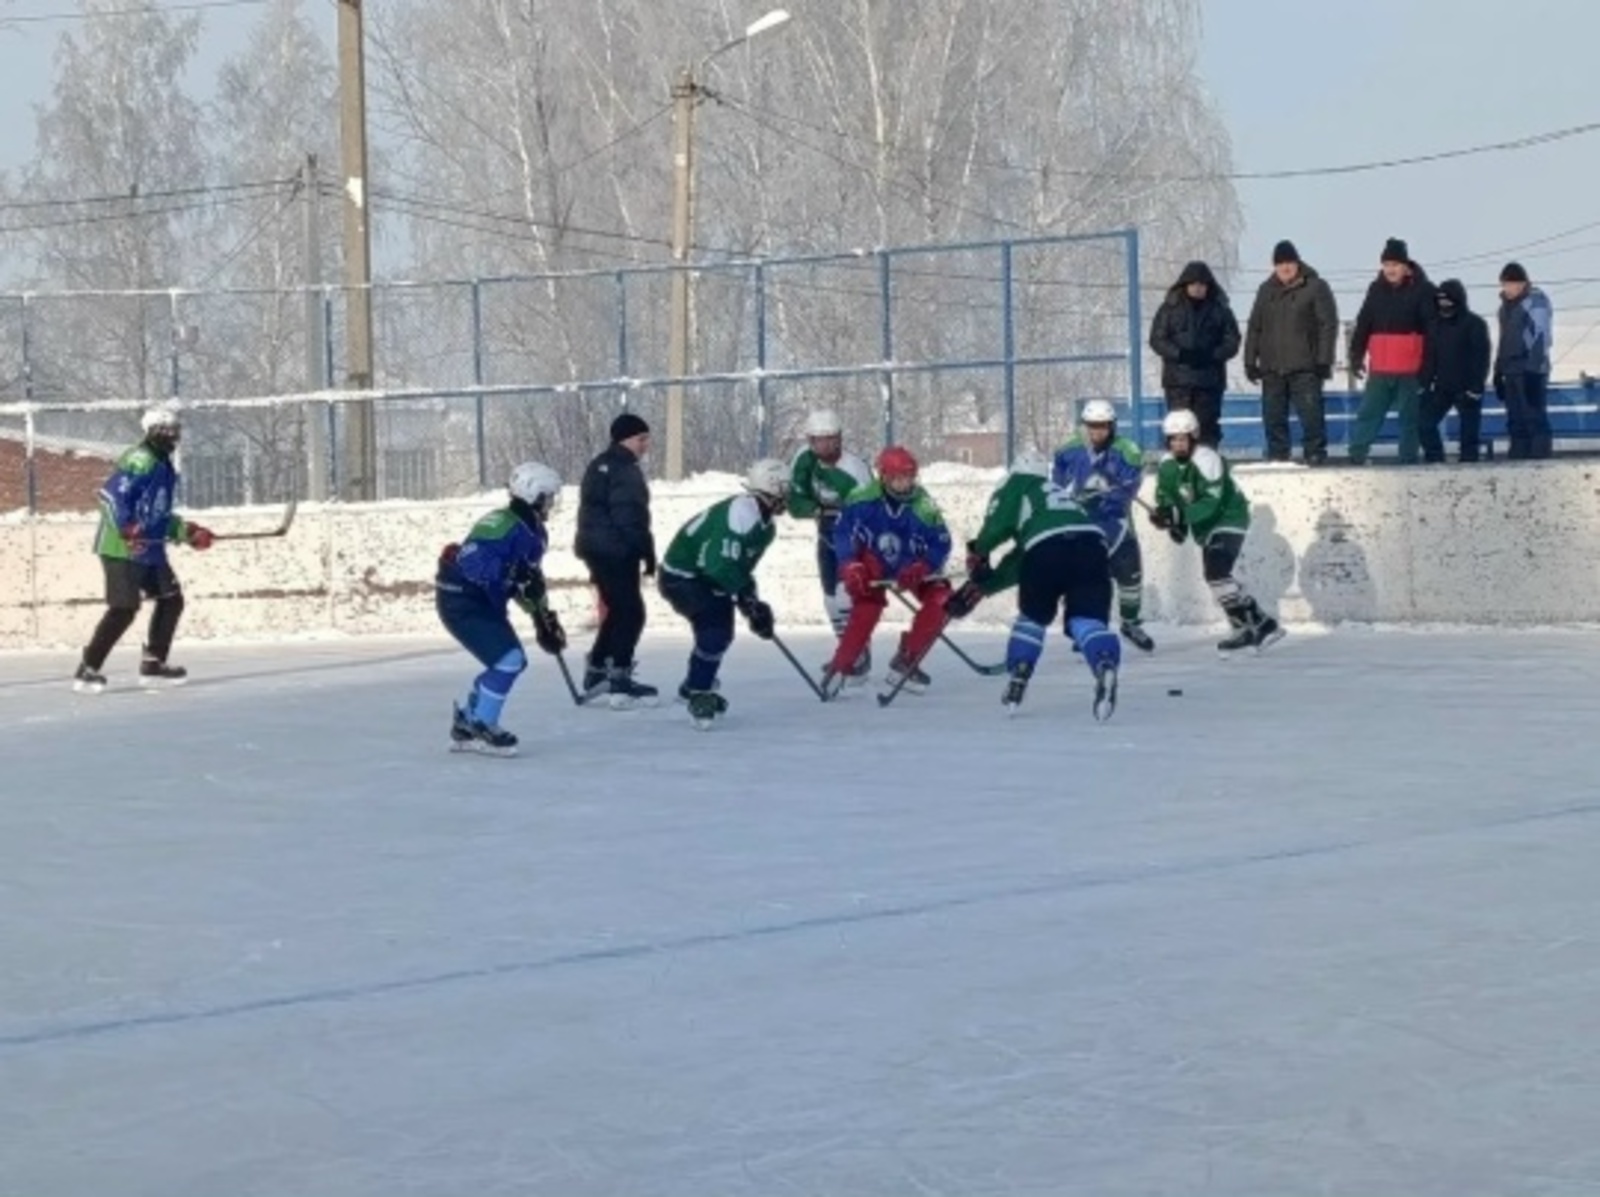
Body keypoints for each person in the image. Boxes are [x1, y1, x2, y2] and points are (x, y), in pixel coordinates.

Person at [964, 452, 1121, 717]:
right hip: (1093, 547)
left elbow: (998, 524)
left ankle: (1019, 674)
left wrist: (979, 551)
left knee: (1033, 617)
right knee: (1085, 620)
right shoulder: (1059, 495)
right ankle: (1103, 662)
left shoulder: (1017, 483)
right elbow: (1022, 557)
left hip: (1047, 550)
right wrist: (988, 586)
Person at [74, 406, 215, 692]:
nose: (172, 434)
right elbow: (110, 497)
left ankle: (153, 663)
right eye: (165, 429)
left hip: (149, 549)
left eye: (175, 429)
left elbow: (158, 514)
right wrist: (126, 528)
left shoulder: (164, 467)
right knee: (124, 608)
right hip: (121, 548)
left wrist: (187, 532)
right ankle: (87, 668)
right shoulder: (141, 459)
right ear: (151, 430)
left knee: (171, 599)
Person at [435, 462, 567, 756]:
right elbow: (470, 560)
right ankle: (482, 724)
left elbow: (530, 579)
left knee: (513, 662)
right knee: (508, 659)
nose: (552, 503)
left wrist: (541, 616)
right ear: (533, 495)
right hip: (462, 601)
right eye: (549, 496)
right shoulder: (500, 522)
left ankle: (468, 722)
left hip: (485, 602)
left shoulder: (536, 533)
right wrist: (512, 572)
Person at [658, 459, 788, 728]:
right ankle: (698, 691)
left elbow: (738, 566)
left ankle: (695, 684)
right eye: (785, 488)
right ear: (770, 488)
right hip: (683, 577)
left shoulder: (766, 526)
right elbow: (717, 565)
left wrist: (751, 599)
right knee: (716, 628)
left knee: (719, 629)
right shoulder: (742, 514)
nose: (789, 494)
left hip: (704, 576)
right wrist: (744, 597)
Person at [1148, 409, 1284, 653]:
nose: (1178, 444)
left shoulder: (1207, 459)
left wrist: (1179, 517)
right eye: (1173, 439)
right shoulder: (1166, 465)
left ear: (1194, 437)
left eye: (1183, 438)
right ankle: (1259, 623)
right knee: (1215, 576)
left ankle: (1249, 626)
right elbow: (1166, 497)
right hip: (1205, 527)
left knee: (1217, 571)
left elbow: (1212, 502)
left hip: (1229, 517)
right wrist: (1166, 517)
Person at [824, 445, 953, 695]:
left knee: (942, 598)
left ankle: (907, 660)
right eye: (898, 478)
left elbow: (942, 541)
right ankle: (846, 663)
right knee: (866, 606)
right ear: (883, 476)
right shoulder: (861, 498)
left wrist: (924, 564)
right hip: (871, 565)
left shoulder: (923, 502)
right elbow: (841, 533)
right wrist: (851, 563)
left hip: (911, 565)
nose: (905, 484)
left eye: (909, 477)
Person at [1052, 399, 1152, 650]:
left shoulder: (1127, 450)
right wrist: (1069, 501)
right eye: (1092, 426)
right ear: (1084, 426)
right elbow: (1056, 487)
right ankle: (1091, 627)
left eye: (1103, 426)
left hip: (1116, 525)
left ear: (1112, 426)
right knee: (1089, 579)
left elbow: (1129, 487)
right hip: (1083, 528)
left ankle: (1130, 622)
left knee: (1130, 576)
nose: (1098, 432)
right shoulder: (1068, 451)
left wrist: (1107, 500)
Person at [575, 412, 657, 707]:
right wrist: (646, 551)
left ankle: (598, 669)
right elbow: (630, 516)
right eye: (641, 438)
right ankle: (618, 677)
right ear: (625, 438)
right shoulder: (624, 469)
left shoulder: (599, 464)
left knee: (618, 610)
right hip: (616, 550)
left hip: (596, 548)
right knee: (632, 612)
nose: (646, 444)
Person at [787, 408, 873, 676]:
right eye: (817, 440)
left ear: (839, 438)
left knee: (845, 594)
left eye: (829, 439)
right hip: (825, 531)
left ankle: (854, 654)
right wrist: (815, 510)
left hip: (853, 535)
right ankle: (850, 648)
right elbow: (795, 499)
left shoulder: (855, 469)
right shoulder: (803, 459)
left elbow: (870, 510)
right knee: (830, 598)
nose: (823, 445)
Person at [1243, 239, 1339, 465]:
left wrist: (1324, 360)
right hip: (1272, 367)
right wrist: (1250, 361)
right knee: (1273, 417)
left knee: (1311, 414)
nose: (1285, 268)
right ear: (1274, 266)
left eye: (1289, 262)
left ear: (1297, 263)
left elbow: (1328, 324)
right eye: (1280, 263)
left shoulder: (1315, 287)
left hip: (1306, 366)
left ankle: (1315, 454)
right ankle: (1277, 455)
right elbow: (1255, 326)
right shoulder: (1265, 291)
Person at [1347, 238, 1436, 465]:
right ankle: (1356, 457)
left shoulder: (1424, 290)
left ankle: (1408, 461)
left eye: (1395, 264)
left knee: (1409, 420)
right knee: (1368, 415)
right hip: (1380, 370)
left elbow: (1433, 332)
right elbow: (1364, 323)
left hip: (1410, 371)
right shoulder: (1375, 289)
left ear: (1405, 266)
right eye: (1386, 265)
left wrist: (1428, 370)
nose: (1390, 269)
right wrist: (1356, 357)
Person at [1147, 260, 1241, 447]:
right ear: (1185, 285)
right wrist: (1179, 354)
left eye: (1202, 284)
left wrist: (1212, 355)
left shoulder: (1220, 310)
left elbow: (1233, 341)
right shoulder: (1169, 309)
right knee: (1178, 429)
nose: (1198, 288)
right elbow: (1157, 340)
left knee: (1207, 429)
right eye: (1193, 283)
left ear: (1208, 286)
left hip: (1209, 381)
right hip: (1178, 383)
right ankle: (1179, 468)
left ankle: (1207, 467)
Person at [1421, 279, 1492, 464]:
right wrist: (1424, 384)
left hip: (1467, 389)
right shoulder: (1434, 325)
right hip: (1442, 387)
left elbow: (1481, 357)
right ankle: (1435, 460)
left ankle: (1469, 465)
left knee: (1469, 436)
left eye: (1448, 301)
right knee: (1424, 424)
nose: (1444, 306)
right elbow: (1430, 358)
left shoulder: (1474, 324)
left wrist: (1476, 387)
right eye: (1440, 301)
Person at [1494, 261, 1555, 460]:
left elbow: (1541, 337)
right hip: (1510, 369)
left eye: (1511, 284)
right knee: (1514, 420)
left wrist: (1533, 371)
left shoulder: (1535, 302)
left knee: (1533, 418)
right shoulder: (1504, 309)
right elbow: (1503, 340)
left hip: (1530, 369)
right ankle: (1518, 462)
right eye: (1504, 284)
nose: (1507, 289)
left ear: (1522, 284)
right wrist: (1498, 370)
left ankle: (1539, 461)